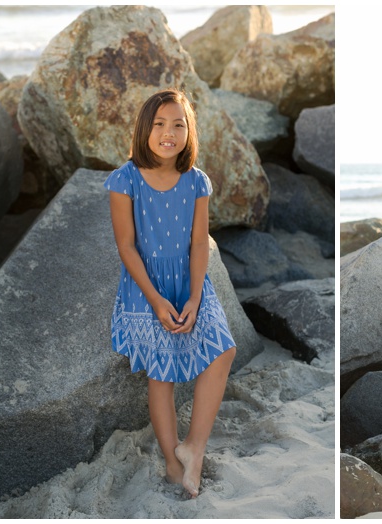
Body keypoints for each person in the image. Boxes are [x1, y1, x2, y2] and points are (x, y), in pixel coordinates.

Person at [104, 88, 236, 498]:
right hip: (146, 289)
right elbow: (126, 246)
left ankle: (193, 446)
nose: (168, 132)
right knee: (161, 374)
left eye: (178, 124)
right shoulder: (124, 179)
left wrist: (195, 297)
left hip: (190, 281)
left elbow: (200, 244)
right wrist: (157, 300)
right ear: (145, 129)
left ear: (189, 132)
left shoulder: (196, 181)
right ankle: (171, 461)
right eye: (159, 124)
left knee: (223, 349)